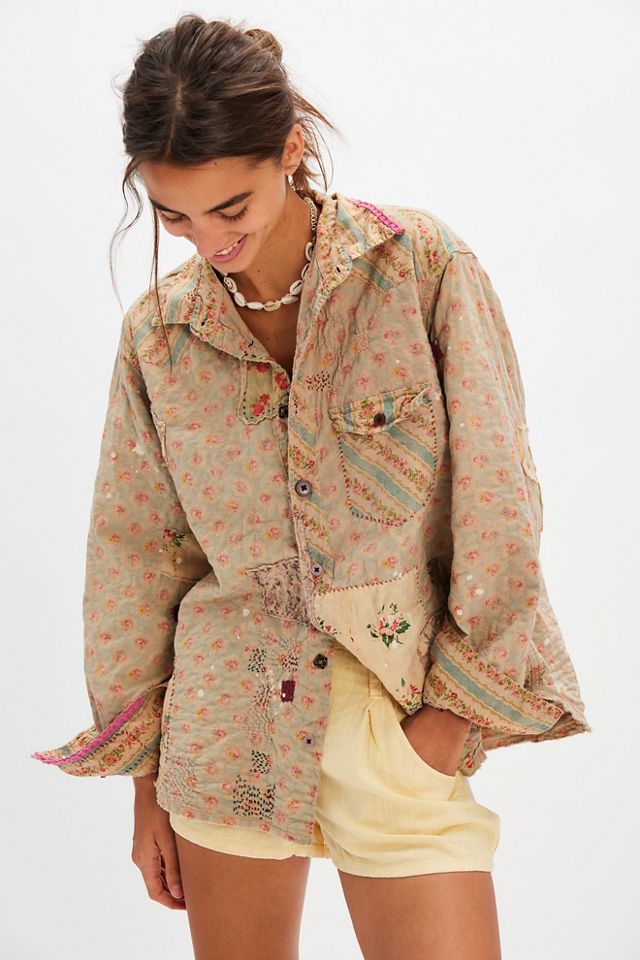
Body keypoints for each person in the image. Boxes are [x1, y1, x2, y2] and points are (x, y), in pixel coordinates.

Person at [31, 14, 592, 960]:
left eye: (231, 207)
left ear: (290, 151)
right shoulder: (158, 338)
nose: (208, 240)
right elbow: (137, 554)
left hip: (398, 714)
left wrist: (450, 719)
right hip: (225, 730)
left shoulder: (418, 268)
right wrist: (147, 784)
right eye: (174, 216)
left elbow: (499, 494)